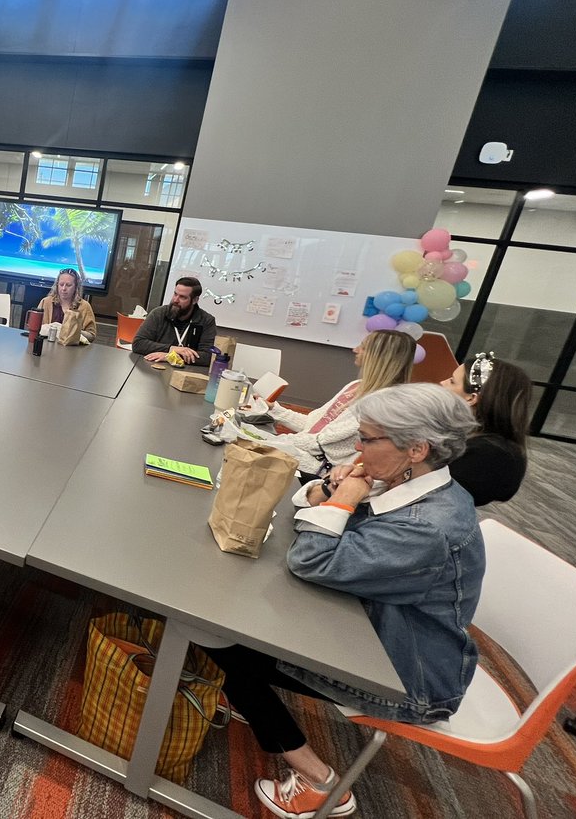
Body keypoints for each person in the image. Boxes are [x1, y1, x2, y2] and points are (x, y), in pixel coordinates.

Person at [206, 384, 482, 819]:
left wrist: (343, 500)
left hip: (408, 677)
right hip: (376, 629)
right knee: (234, 621)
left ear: (416, 448)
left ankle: (319, 782)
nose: (357, 448)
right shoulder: (412, 482)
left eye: (368, 439)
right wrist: (328, 492)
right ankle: (245, 697)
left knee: (222, 638)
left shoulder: (427, 527)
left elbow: (311, 559)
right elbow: (319, 521)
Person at [262, 329, 415, 478]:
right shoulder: (355, 386)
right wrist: (274, 409)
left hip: (315, 470)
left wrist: (270, 440)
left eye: (362, 347)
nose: (355, 350)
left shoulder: (381, 404)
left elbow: (320, 444)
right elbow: (313, 425)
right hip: (299, 453)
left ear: (378, 356)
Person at [440, 351, 531, 506]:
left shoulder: (490, 455)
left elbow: (437, 500)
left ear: (471, 398)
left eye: (452, 381)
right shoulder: (466, 436)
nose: (442, 383)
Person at [131, 276, 216, 365]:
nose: (175, 300)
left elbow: (208, 356)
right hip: (153, 366)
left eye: (182, 297)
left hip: (186, 370)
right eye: (175, 294)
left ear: (195, 300)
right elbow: (138, 344)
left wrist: (170, 356)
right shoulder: (158, 314)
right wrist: (171, 349)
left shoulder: (206, 321)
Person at [37, 267, 97, 346]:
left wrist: (74, 332)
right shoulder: (46, 302)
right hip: (47, 347)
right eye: (61, 284)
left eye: (68, 285)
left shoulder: (84, 306)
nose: (64, 288)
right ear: (57, 285)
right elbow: (34, 328)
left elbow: (91, 336)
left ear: (76, 287)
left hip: (73, 350)